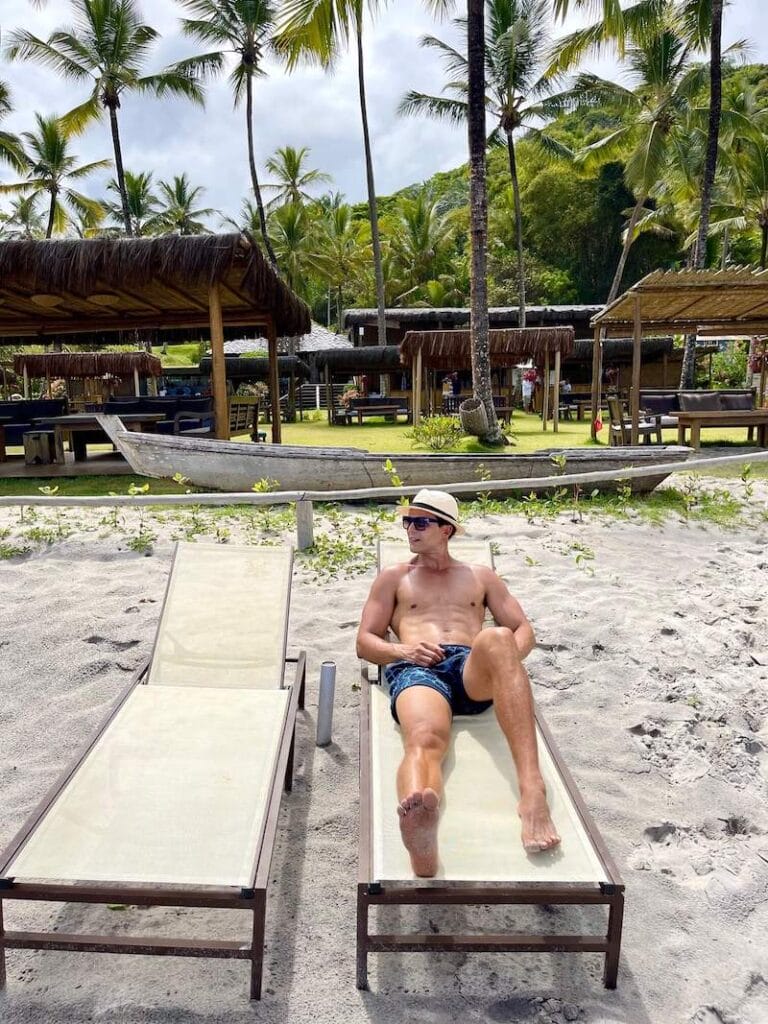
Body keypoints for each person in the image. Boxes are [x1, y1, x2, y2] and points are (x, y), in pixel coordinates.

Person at [356, 489, 560, 877]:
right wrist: (404, 652)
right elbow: (365, 642)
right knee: (424, 738)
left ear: (446, 529)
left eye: (420, 522)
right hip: (418, 668)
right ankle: (419, 824)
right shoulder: (394, 578)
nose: (410, 529)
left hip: (470, 668)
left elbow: (523, 629)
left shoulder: (481, 577)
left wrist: (505, 668)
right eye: (407, 521)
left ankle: (533, 792)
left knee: (499, 638)